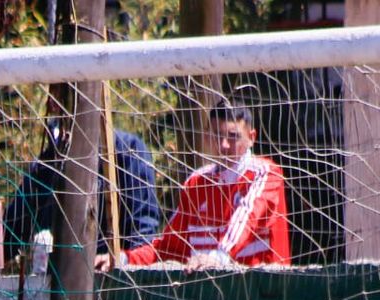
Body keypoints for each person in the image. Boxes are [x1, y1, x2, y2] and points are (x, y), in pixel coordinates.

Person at [0, 127, 161, 285]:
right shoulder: (49, 163)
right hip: (58, 294)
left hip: (117, 287)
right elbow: (11, 233)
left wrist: (119, 259)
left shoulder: (128, 152)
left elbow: (145, 235)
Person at [97, 102, 290, 274]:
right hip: (209, 299)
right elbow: (167, 246)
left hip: (262, 296)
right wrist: (124, 259)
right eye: (216, 135)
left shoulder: (266, 173)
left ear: (251, 137)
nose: (223, 145)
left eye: (233, 136)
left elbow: (247, 217)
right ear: (206, 136)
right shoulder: (197, 182)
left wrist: (219, 257)